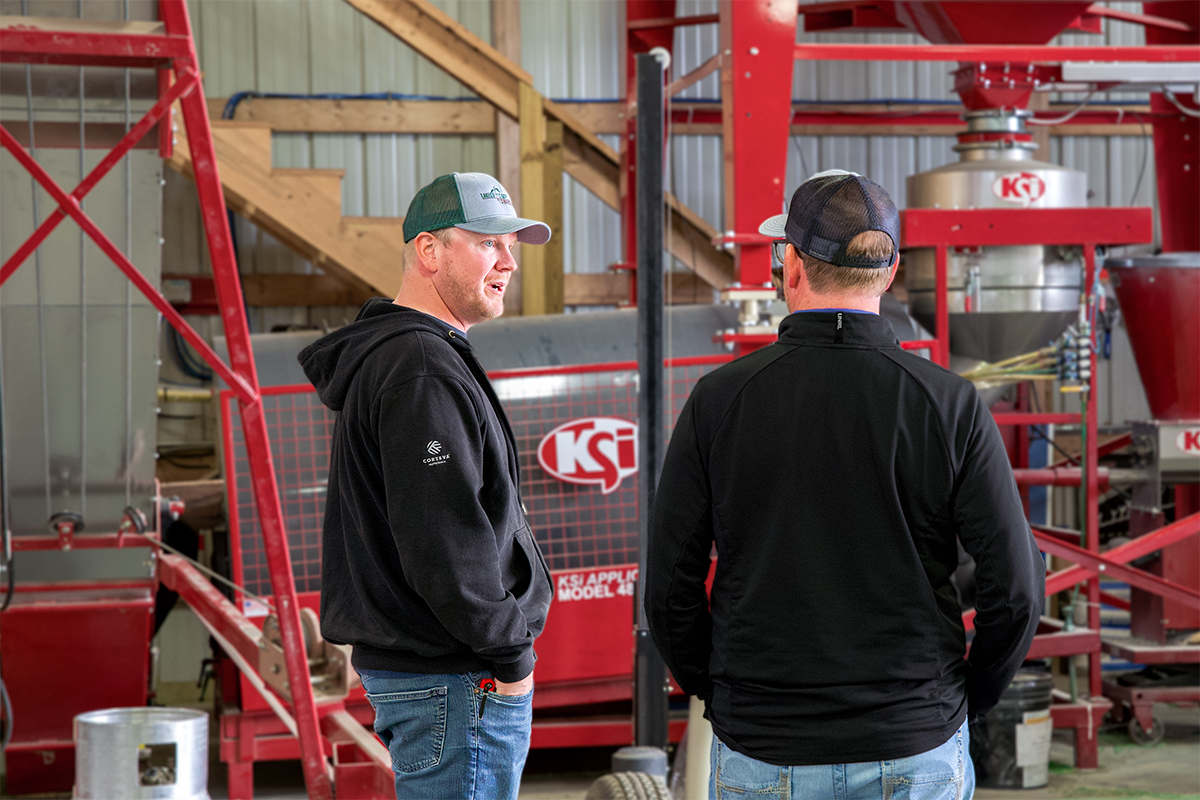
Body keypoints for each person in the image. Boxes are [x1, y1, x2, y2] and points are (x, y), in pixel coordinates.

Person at [645, 170, 1044, 800]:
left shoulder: (719, 402)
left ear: (792, 266)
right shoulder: (949, 404)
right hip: (914, 740)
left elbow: (668, 588)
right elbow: (1016, 589)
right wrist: (959, 698)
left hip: (764, 744)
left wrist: (721, 690)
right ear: (887, 274)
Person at [299, 172, 554, 800]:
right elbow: (444, 541)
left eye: (512, 246)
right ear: (429, 252)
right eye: (488, 243)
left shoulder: (415, 356)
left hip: (439, 673)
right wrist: (511, 659)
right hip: (456, 675)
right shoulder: (420, 369)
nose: (508, 262)